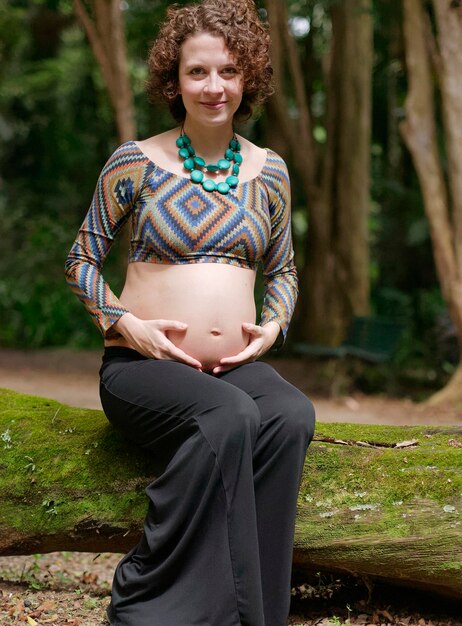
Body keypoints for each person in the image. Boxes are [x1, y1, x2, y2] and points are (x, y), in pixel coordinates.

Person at [65, 1, 315, 624]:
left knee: (288, 414)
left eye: (227, 71)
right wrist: (128, 326)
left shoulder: (270, 172)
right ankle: (149, 591)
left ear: (246, 78)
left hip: (232, 365)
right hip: (141, 366)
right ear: (173, 81)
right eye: (197, 72)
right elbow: (80, 260)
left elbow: (282, 270)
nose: (213, 86)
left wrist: (272, 328)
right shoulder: (135, 162)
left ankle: (258, 613)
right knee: (229, 415)